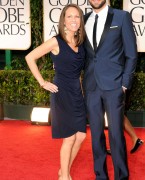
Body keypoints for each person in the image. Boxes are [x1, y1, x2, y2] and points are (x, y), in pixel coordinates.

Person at [25, 4, 86, 180]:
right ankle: (64, 177)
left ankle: (63, 170)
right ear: (64, 21)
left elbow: (79, 72)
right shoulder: (55, 41)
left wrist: (81, 93)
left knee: (80, 136)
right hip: (61, 92)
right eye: (70, 17)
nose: (74, 20)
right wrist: (42, 82)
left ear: (80, 20)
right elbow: (30, 57)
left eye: (77, 17)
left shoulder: (80, 43)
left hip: (77, 92)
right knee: (69, 138)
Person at [83, 0, 137, 179]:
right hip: (91, 86)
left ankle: (121, 176)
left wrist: (124, 83)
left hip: (114, 85)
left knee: (115, 135)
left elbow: (131, 54)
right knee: (96, 135)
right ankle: (100, 176)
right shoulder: (83, 19)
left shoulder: (121, 17)